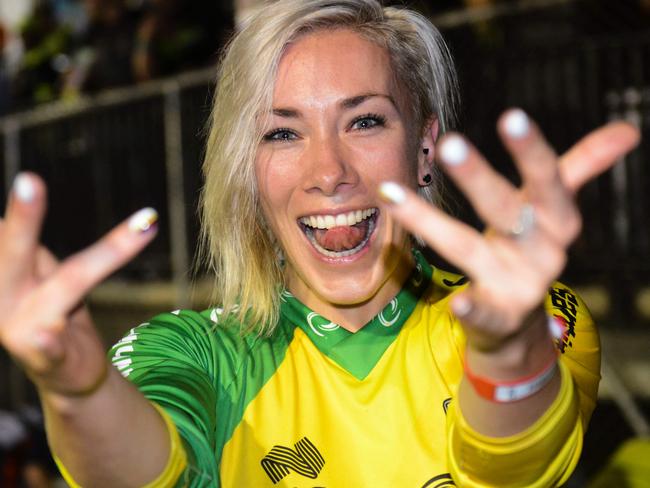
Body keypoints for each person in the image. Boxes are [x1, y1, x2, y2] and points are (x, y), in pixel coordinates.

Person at [0, 0, 640, 486]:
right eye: (282, 134)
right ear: (245, 172)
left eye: (365, 121)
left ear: (423, 148)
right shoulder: (196, 354)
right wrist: (77, 388)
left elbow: (516, 467)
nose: (329, 172)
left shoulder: (540, 316)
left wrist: (505, 349)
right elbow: (137, 471)